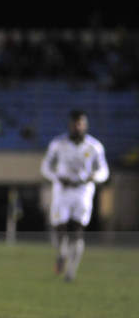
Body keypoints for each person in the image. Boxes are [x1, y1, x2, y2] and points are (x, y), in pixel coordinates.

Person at [40, 110, 109, 282]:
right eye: (75, 123)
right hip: (62, 191)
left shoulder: (94, 146)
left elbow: (104, 170)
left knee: (78, 230)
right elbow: (45, 167)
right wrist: (56, 177)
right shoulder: (58, 144)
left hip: (83, 192)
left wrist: (94, 177)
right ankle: (62, 253)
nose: (78, 127)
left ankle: (71, 273)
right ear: (70, 124)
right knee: (59, 229)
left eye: (81, 123)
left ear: (85, 125)